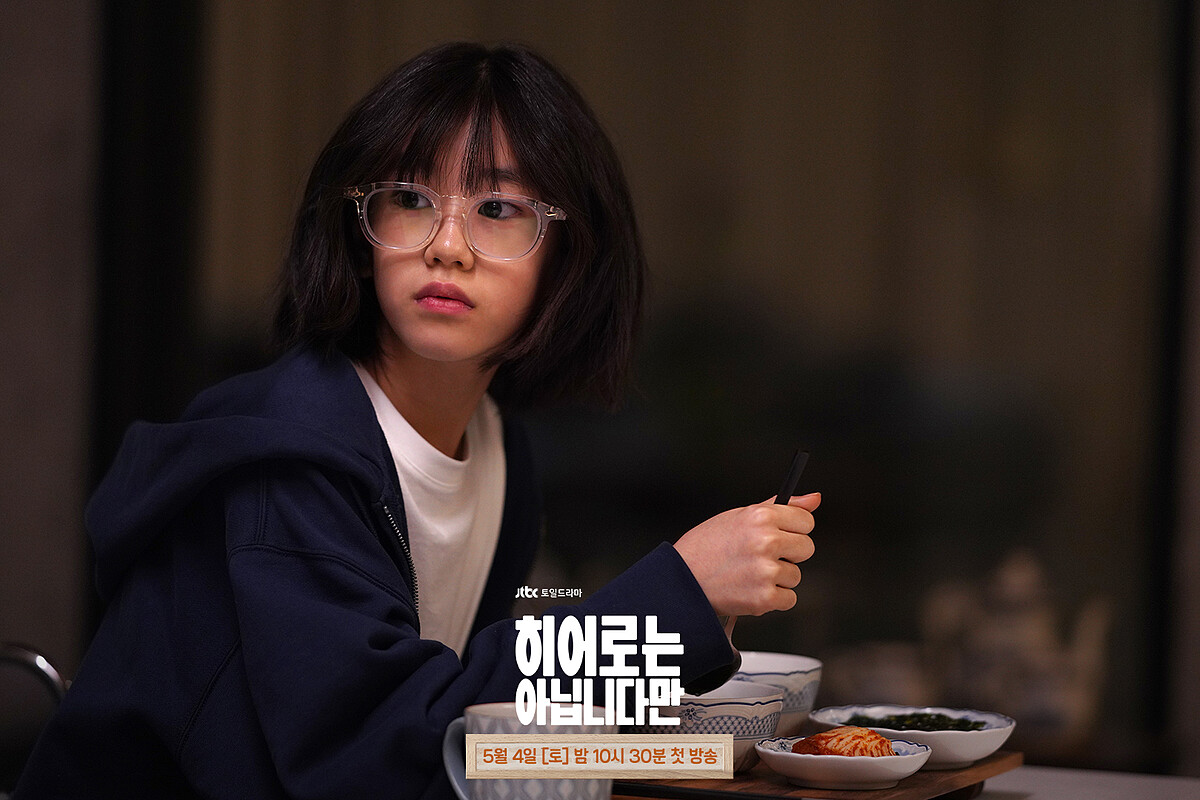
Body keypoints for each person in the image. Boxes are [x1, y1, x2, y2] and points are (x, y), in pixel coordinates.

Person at [14, 42, 820, 799]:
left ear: (569, 260)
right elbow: (380, 752)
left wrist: (687, 634)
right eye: (409, 199)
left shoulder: (500, 455)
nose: (447, 246)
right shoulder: (291, 457)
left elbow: (474, 732)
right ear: (360, 232)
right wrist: (674, 599)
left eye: (497, 208)